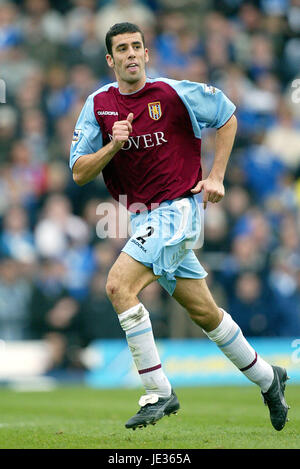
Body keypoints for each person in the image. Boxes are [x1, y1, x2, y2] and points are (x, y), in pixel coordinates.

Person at [69, 22, 289, 431]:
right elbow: (79, 172)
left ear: (147, 54)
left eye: (137, 46)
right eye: (122, 49)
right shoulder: (97, 105)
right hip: (140, 217)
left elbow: (227, 116)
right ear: (110, 59)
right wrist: (113, 145)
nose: (131, 54)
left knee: (119, 285)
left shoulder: (174, 93)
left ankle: (158, 390)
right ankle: (267, 377)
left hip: (177, 211)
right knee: (205, 312)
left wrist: (217, 175)